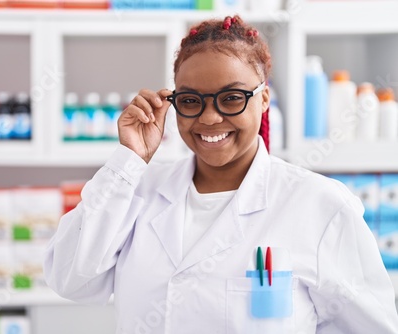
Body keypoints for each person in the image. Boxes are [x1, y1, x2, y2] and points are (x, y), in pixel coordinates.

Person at [44, 15, 398, 333]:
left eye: (231, 98)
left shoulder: (320, 206)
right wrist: (128, 161)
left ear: (263, 100)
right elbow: (70, 279)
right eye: (191, 100)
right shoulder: (137, 190)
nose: (210, 118)